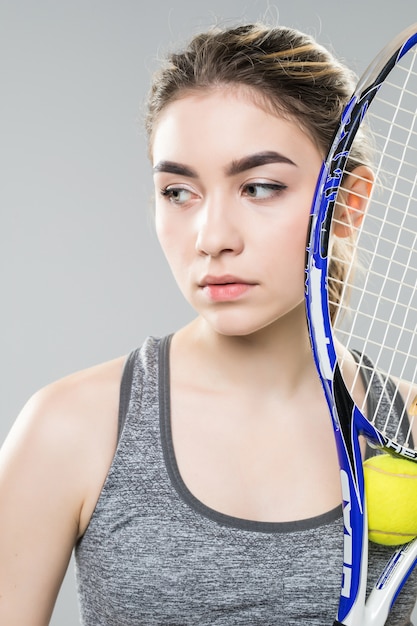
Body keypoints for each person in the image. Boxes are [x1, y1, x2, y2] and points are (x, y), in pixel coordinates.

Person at [0, 21, 416, 626]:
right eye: (177, 192)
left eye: (260, 186)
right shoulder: (72, 427)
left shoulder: (408, 428)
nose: (212, 238)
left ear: (347, 202)